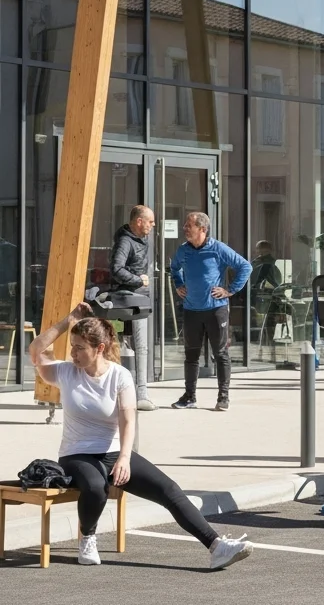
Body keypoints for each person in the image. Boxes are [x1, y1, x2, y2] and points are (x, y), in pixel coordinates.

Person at [28, 303, 252, 568]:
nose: (73, 353)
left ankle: (217, 546)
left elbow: (127, 418)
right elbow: (35, 350)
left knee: (170, 490)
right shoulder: (65, 372)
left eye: (79, 348)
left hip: (113, 451)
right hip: (76, 453)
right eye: (72, 346)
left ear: (99, 349)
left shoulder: (119, 375)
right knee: (95, 487)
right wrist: (69, 320)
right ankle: (87, 538)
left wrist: (124, 457)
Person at [169, 212, 252, 412]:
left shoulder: (218, 249)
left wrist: (230, 290)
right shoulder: (183, 250)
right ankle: (189, 397)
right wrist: (179, 283)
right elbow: (174, 268)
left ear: (202, 229)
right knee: (191, 355)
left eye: (189, 225)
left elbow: (245, 266)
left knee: (221, 354)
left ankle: (223, 397)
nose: (185, 228)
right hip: (191, 309)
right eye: (185, 225)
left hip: (216, 310)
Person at [109, 204, 156, 412]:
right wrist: (138, 280)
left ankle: (140, 392)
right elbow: (116, 269)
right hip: (130, 300)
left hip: (139, 298)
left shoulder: (141, 239)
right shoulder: (126, 241)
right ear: (139, 221)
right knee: (138, 345)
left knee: (138, 346)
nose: (153, 225)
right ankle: (139, 393)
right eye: (150, 221)